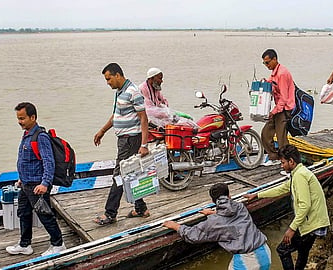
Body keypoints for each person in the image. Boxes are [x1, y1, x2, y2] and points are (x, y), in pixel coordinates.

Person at [244, 144, 330, 270]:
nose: (281, 165)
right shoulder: (299, 172)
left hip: (311, 223)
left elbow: (304, 206)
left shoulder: (300, 176)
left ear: (291, 161)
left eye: (283, 162)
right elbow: (282, 188)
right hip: (317, 221)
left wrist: (292, 228)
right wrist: (257, 195)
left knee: (282, 250)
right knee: (302, 251)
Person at [93, 63, 151, 225]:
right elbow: (116, 115)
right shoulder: (120, 92)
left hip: (131, 140)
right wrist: (102, 131)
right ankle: (140, 208)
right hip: (123, 140)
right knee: (131, 173)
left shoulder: (133, 92)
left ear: (118, 75)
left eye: (109, 79)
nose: (108, 82)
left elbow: (143, 118)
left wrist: (144, 144)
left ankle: (110, 213)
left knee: (119, 175)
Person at [163, 183, 271, 270]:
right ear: (229, 196)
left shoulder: (214, 222)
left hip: (247, 261)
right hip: (264, 252)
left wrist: (176, 226)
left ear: (213, 201)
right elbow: (230, 219)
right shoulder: (240, 207)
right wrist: (213, 213)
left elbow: (193, 235)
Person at [6, 102, 66, 256]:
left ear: (33, 117)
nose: (20, 121)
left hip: (37, 186)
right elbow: (26, 160)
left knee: (44, 214)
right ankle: (25, 244)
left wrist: (45, 183)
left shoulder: (41, 137)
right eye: (18, 118)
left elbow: (48, 161)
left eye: (23, 118)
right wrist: (21, 178)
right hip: (25, 184)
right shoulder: (26, 134)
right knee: (23, 213)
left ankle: (58, 244)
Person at [261, 49, 295, 165]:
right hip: (278, 109)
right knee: (265, 134)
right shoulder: (274, 72)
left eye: (268, 62)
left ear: (275, 59)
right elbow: (271, 83)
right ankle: (274, 157)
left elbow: (284, 98)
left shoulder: (282, 73)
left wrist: (274, 111)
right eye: (264, 63)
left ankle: (289, 164)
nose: (266, 65)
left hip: (284, 110)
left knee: (282, 140)